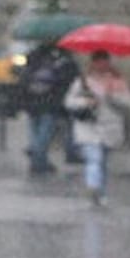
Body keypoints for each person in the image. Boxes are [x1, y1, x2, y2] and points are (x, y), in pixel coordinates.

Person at [63, 50, 130, 206]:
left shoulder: (117, 81)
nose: (102, 65)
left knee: (102, 162)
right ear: (93, 63)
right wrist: (86, 102)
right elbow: (69, 102)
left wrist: (112, 97)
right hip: (88, 126)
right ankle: (93, 187)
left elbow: (129, 104)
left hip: (110, 127)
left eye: (105, 62)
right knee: (94, 158)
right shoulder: (82, 81)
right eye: (98, 62)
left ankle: (101, 193)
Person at [18, 41, 80, 175]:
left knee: (35, 132)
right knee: (44, 134)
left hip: (31, 102)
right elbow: (67, 82)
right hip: (49, 103)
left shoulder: (32, 59)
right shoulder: (62, 61)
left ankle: (39, 158)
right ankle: (38, 162)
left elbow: (21, 78)